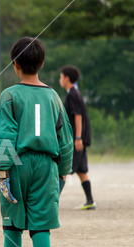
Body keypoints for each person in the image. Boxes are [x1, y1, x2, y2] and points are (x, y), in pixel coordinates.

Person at [0, 37, 74, 247]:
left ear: (15, 64)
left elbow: (5, 135)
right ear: (42, 63)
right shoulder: (53, 96)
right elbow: (65, 138)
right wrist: (63, 171)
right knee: (42, 224)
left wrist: (3, 175)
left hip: (17, 164)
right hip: (47, 165)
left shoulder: (10, 95)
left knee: (12, 223)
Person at [59, 65, 96, 210]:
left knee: (64, 169)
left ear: (67, 78)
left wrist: (78, 138)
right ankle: (90, 201)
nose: (60, 79)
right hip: (79, 139)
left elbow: (78, 117)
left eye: (61, 77)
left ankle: (50, 203)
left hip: (76, 140)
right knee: (81, 170)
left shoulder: (72, 94)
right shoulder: (75, 92)